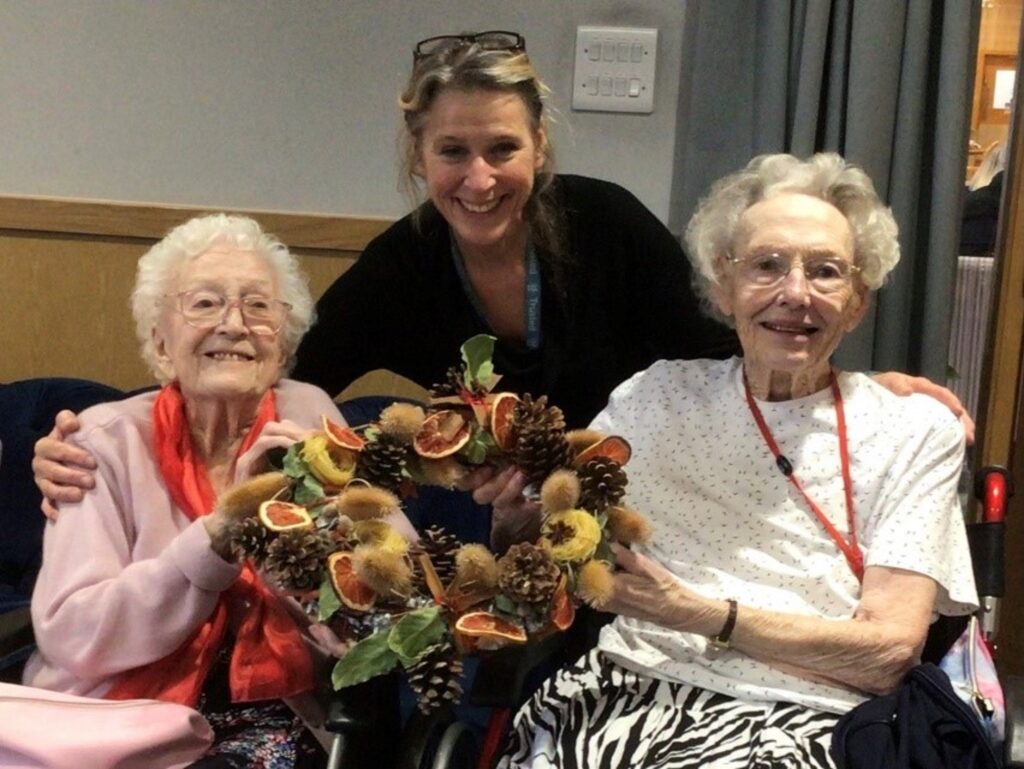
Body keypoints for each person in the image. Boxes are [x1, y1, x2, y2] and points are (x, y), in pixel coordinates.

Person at [32, 31, 971, 519]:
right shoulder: (403, 264)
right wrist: (105, 433)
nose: (478, 179)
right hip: (496, 517)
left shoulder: (602, 221)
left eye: (501, 149)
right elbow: (261, 369)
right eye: (452, 152)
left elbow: (728, 350)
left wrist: (855, 385)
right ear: (418, 153)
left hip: (639, 500)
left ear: (539, 147)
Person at [497, 153, 979, 769]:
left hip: (806, 719)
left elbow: (886, 654)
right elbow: (558, 546)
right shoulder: (653, 398)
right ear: (723, 287)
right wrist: (515, 527)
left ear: (857, 301)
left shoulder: (911, 429)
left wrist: (695, 613)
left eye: (827, 272)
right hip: (617, 698)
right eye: (767, 266)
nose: (796, 293)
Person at [20, 215, 408, 767]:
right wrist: (217, 537)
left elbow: (400, 603)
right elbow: (76, 636)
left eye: (258, 306)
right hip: (114, 719)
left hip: (277, 718)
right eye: (204, 303)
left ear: (285, 339)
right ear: (160, 343)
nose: (234, 323)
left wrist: (316, 524)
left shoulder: (313, 424)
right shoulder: (99, 442)